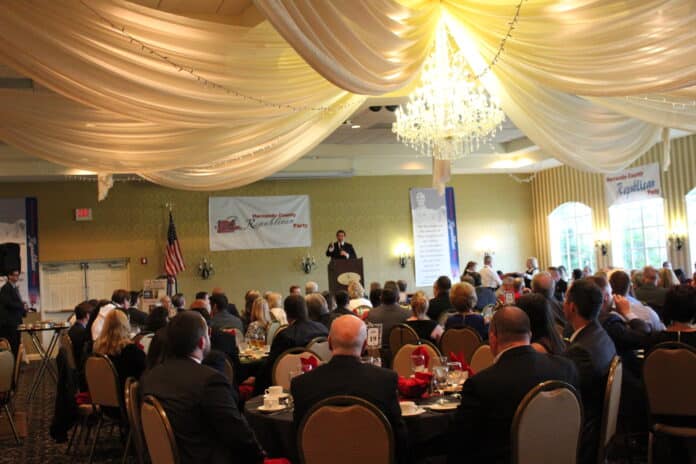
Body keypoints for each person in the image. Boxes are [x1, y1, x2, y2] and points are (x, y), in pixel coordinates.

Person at [447, 307, 579, 464]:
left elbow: (460, 443)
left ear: (493, 338)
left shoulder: (482, 384)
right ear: (529, 336)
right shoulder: (566, 368)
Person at [141, 312, 265, 464]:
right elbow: (239, 436)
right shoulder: (209, 381)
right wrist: (262, 456)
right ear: (202, 342)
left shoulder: (150, 376)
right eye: (207, 335)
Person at [291, 315, 408, 463]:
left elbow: (296, 442)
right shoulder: (385, 381)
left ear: (329, 343)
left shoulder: (302, 384)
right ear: (365, 345)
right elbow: (399, 439)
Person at [563, 279, 617, 464]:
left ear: (572, 307)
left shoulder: (581, 351)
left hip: (586, 432)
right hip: (599, 421)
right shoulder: (600, 335)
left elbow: (567, 393)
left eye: (565, 299)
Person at [255, 295, 328, 394]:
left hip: (290, 386)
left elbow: (272, 367)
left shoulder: (285, 336)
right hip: (322, 381)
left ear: (286, 312)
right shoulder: (322, 329)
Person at [93, 310, 146, 388]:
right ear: (125, 326)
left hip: (101, 395)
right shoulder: (132, 351)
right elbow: (145, 373)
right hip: (125, 395)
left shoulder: (97, 349)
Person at [366, 286, 409, 354]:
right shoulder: (408, 314)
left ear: (381, 298)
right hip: (403, 353)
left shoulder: (371, 314)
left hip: (379, 355)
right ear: (398, 298)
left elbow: (372, 343)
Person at [0, 268, 27, 355]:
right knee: (13, 346)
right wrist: (21, 305)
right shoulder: (6, 288)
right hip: (9, 324)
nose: (16, 278)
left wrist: (24, 308)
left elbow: (16, 303)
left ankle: (17, 367)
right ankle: (13, 367)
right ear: (9, 276)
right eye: (14, 275)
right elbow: (8, 303)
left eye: (17, 275)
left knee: (17, 345)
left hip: (16, 323)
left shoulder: (15, 288)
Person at [68, 301, 93, 367]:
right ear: (88, 316)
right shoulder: (83, 332)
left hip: (76, 363)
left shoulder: (73, 329)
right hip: (83, 366)